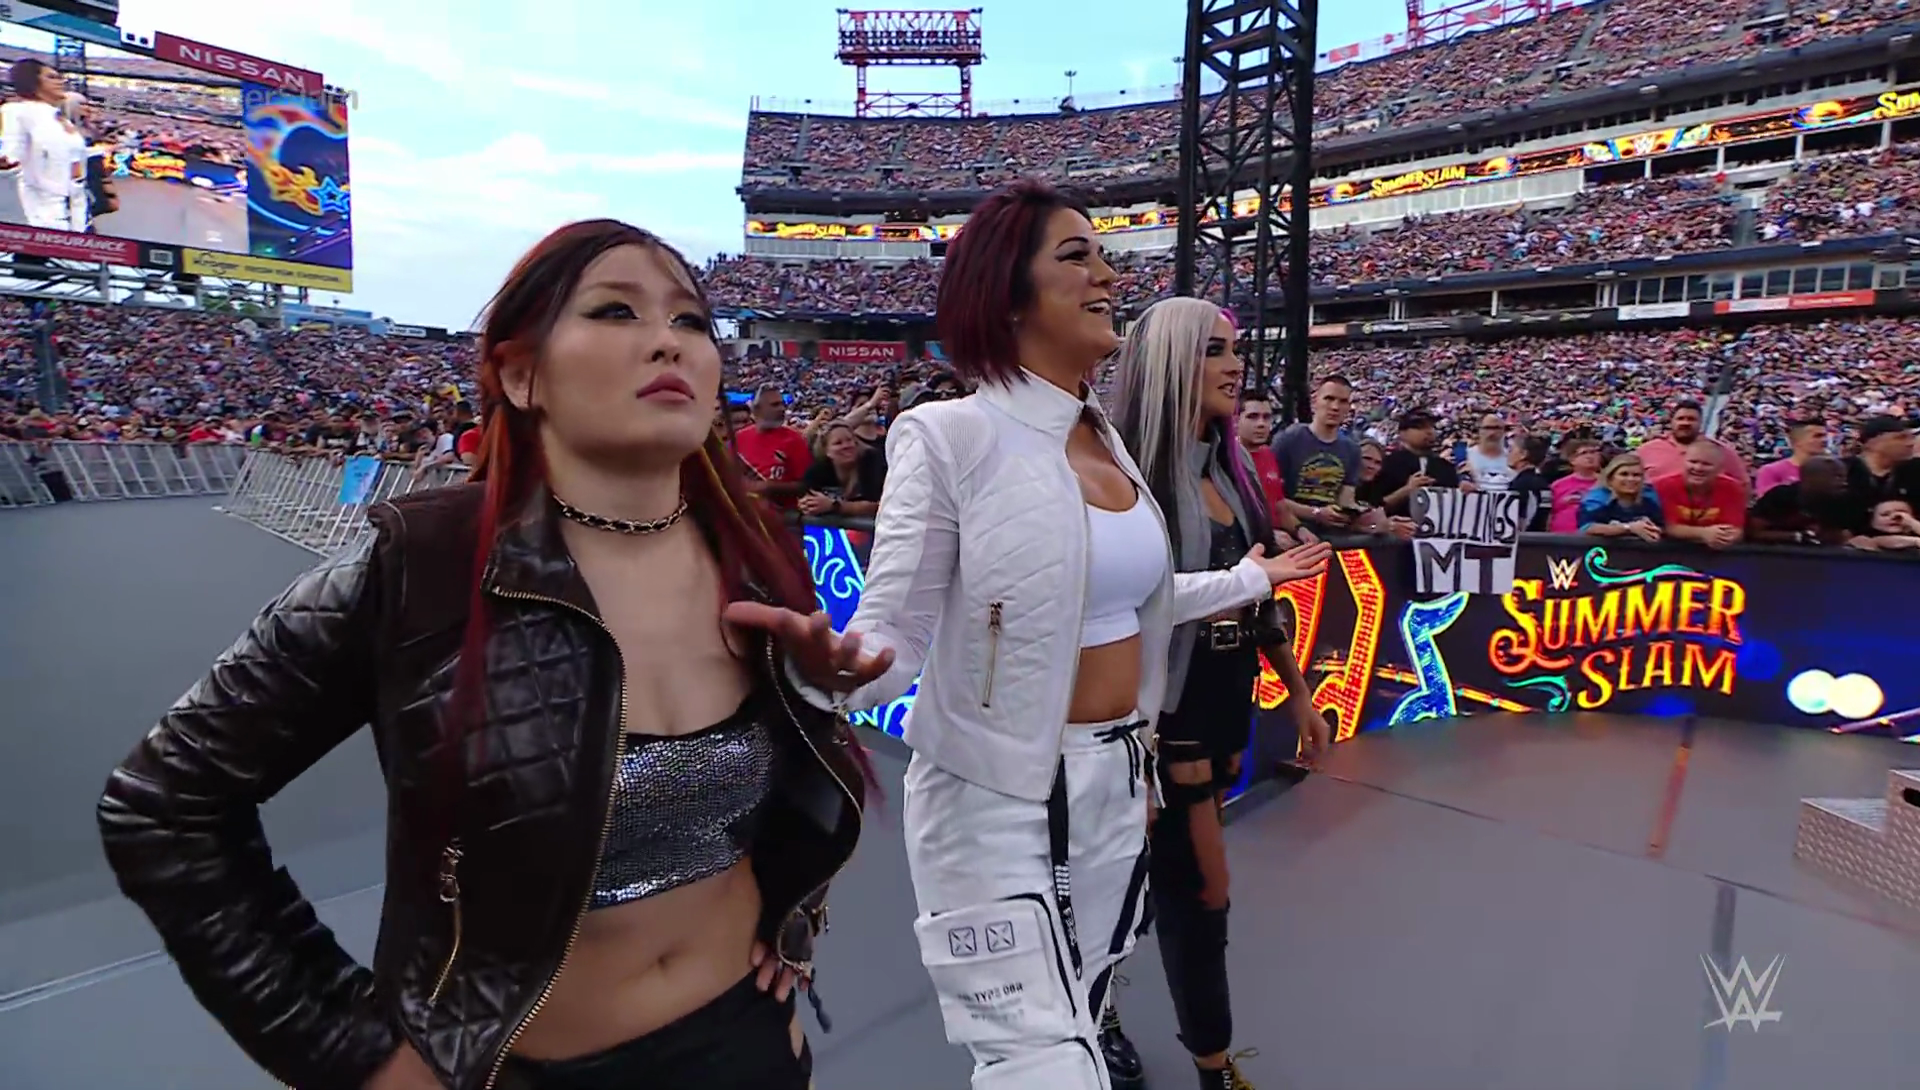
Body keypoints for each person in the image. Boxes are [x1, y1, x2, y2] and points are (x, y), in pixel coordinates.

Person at [97, 220, 875, 1090]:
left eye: (691, 321)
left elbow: (788, 798)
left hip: (750, 1043)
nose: (669, 341)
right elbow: (162, 803)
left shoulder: (758, 553)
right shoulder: (417, 569)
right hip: (517, 1066)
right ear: (519, 373)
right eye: (616, 311)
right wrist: (348, 1052)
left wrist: (813, 717)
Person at [728, 179, 1330, 1090]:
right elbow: (898, 630)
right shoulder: (946, 436)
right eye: (1076, 256)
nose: (1107, 275)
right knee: (1040, 1063)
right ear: (1007, 294)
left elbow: (1130, 599)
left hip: (1116, 789)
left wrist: (1252, 580)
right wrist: (830, 676)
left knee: (1082, 1013)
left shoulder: (1108, 440)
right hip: (994, 798)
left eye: (1104, 255)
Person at [1107, 297, 1332, 1090]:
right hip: (1156, 714)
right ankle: (1212, 1064)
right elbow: (1123, 603)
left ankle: (1104, 1011)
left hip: (1226, 695)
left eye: (1235, 349)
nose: (1235, 366)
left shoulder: (1231, 470)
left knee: (1152, 878)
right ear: (1169, 360)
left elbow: (1261, 598)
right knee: (1200, 888)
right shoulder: (1124, 475)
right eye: (1213, 350)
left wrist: (1298, 692)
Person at [0, 59, 87, 232]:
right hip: (41, 211)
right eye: (52, 77)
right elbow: (12, 150)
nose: (61, 82)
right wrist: (7, 160)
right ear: (33, 82)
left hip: (75, 208)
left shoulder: (60, 118)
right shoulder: (16, 110)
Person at [800, 419, 887, 519]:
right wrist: (806, 505)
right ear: (826, 451)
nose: (846, 446)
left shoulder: (871, 462)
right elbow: (806, 501)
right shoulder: (817, 472)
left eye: (849, 440)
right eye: (838, 443)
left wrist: (835, 506)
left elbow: (879, 506)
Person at [1577, 453, 1664, 542]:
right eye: (1624, 474)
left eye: (1636, 475)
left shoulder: (1649, 498)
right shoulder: (1597, 499)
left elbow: (1661, 527)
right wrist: (1629, 528)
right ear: (1610, 479)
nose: (1630, 479)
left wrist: (1653, 527)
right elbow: (1586, 527)